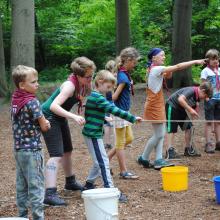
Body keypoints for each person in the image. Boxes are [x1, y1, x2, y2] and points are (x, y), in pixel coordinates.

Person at [137, 48, 206, 170]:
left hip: (156, 104)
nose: (164, 57)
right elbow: (178, 66)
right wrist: (195, 61)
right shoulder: (156, 69)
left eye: (164, 55)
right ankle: (144, 157)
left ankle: (158, 160)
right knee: (159, 135)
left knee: (160, 134)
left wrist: (168, 71)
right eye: (161, 55)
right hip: (154, 106)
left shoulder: (155, 69)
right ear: (153, 58)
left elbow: (169, 76)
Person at [42, 57, 96, 206]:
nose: (90, 79)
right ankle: (50, 194)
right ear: (78, 75)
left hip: (59, 117)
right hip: (49, 117)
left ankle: (70, 181)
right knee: (56, 155)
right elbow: (53, 106)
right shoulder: (69, 86)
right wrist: (73, 116)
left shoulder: (81, 84)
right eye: (88, 77)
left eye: (92, 76)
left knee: (67, 151)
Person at [82, 70, 142, 202]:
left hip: (93, 134)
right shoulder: (97, 97)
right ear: (100, 82)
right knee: (103, 162)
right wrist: (132, 118)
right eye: (108, 87)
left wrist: (104, 119)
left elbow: (92, 114)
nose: (109, 91)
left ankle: (89, 184)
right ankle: (110, 190)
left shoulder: (94, 96)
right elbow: (113, 109)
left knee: (99, 162)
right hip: (93, 135)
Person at [11, 65, 51, 220]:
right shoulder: (32, 102)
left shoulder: (16, 99)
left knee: (22, 186)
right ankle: (38, 217)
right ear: (22, 85)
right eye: (34, 82)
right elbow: (43, 126)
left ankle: (21, 216)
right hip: (33, 150)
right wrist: (47, 123)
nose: (37, 84)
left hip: (19, 149)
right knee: (36, 186)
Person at [108, 47, 140, 179]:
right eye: (134, 61)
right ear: (128, 60)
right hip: (119, 112)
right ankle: (123, 171)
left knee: (129, 139)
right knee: (120, 143)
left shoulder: (124, 73)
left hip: (124, 111)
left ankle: (105, 160)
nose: (135, 64)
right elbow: (114, 97)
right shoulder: (122, 76)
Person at [165, 82, 213, 159]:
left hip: (180, 109)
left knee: (189, 127)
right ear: (203, 91)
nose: (204, 99)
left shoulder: (198, 97)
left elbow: (193, 107)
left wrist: (194, 111)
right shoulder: (192, 90)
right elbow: (180, 99)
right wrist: (190, 110)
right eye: (205, 96)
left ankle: (188, 149)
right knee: (171, 129)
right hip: (172, 105)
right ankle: (169, 151)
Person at [200, 49, 220, 153]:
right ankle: (208, 144)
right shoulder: (205, 71)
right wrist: (207, 98)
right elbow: (203, 85)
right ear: (208, 60)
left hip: (219, 99)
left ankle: (218, 142)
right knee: (209, 122)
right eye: (213, 59)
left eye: (216, 58)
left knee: (218, 121)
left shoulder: (219, 70)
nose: (215, 61)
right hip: (210, 99)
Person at [104, 60, 116, 149]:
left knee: (107, 123)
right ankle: (116, 143)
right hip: (111, 102)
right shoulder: (113, 78)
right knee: (114, 122)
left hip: (105, 102)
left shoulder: (104, 77)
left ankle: (107, 143)